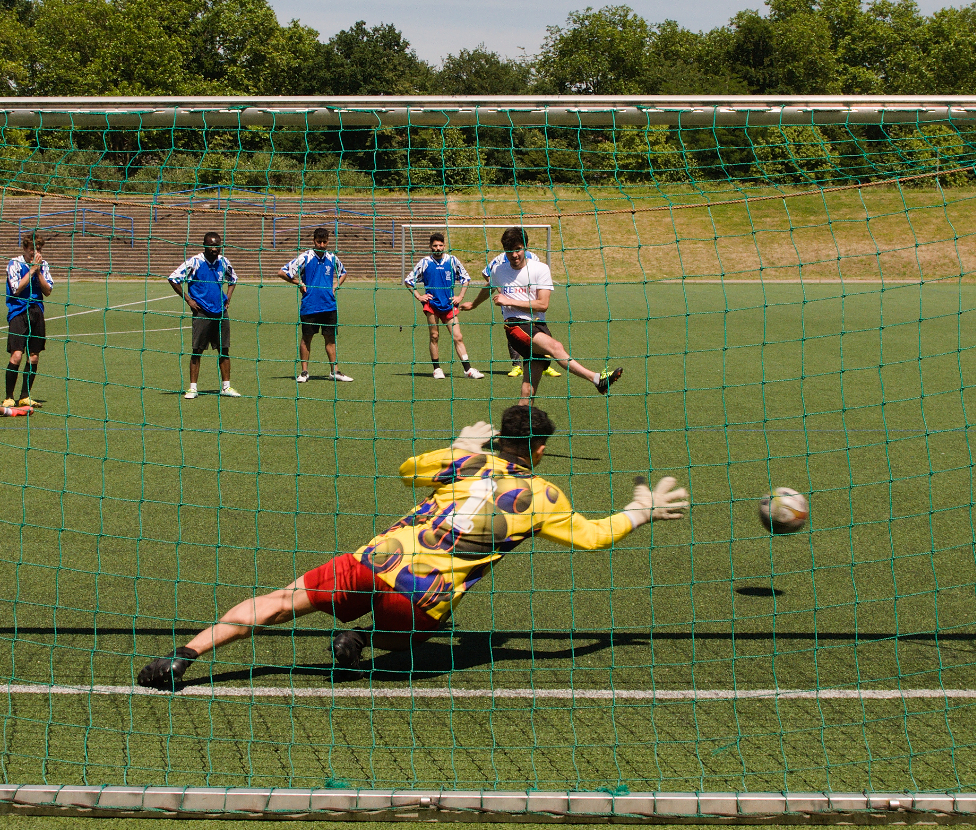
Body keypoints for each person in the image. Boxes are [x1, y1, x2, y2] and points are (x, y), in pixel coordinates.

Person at [136, 404, 690, 691]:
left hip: (374, 561)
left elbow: (407, 471)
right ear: (540, 449)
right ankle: (362, 638)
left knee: (282, 602)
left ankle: (183, 657)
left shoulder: (465, 461)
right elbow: (594, 537)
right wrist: (639, 511)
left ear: (499, 436)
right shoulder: (546, 496)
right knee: (419, 636)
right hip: (424, 595)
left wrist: (459, 446)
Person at [463, 227, 619, 404]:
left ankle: (520, 419)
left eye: (518, 249)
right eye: (509, 251)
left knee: (528, 390)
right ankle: (597, 379)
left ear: (526, 246)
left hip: (538, 326)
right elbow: (490, 286)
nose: (514, 255)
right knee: (556, 347)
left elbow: (542, 305)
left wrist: (508, 300)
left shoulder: (540, 269)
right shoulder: (499, 270)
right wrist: (473, 304)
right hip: (515, 327)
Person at [167, 231, 242, 399]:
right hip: (202, 312)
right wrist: (189, 300)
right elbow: (173, 278)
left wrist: (228, 297)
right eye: (211, 245)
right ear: (205, 245)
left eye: (217, 245)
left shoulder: (223, 261)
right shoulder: (195, 262)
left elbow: (233, 279)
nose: (214, 249)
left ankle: (226, 387)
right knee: (197, 350)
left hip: (220, 312)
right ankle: (193, 388)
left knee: (224, 349)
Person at [403, 232, 485, 379]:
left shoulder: (452, 260)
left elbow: (466, 278)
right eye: (435, 245)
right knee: (434, 336)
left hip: (449, 305)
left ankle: (468, 370)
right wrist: (419, 296)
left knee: (458, 337)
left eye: (440, 245)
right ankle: (437, 369)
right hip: (432, 305)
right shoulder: (425, 262)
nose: (438, 248)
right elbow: (408, 281)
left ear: (444, 246)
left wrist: (460, 296)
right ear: (430, 246)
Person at [280, 225, 352, 383]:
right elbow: (282, 272)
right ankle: (304, 372)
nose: (322, 245)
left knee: (330, 339)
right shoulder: (305, 257)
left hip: (329, 305)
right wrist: (299, 282)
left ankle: (334, 371)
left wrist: (335, 286)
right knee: (307, 338)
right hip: (310, 305)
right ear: (314, 241)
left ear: (328, 241)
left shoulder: (332, 258)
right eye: (319, 241)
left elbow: (343, 273)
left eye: (324, 242)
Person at [3, 233, 53, 407]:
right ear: (25, 248)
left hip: (36, 311)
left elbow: (48, 291)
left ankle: (25, 396)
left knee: (34, 357)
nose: (35, 253)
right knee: (16, 355)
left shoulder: (44, 265)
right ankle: (9, 396)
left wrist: (38, 272)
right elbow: (16, 289)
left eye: (38, 249)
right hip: (18, 312)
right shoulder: (15, 264)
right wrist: (31, 270)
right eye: (32, 249)